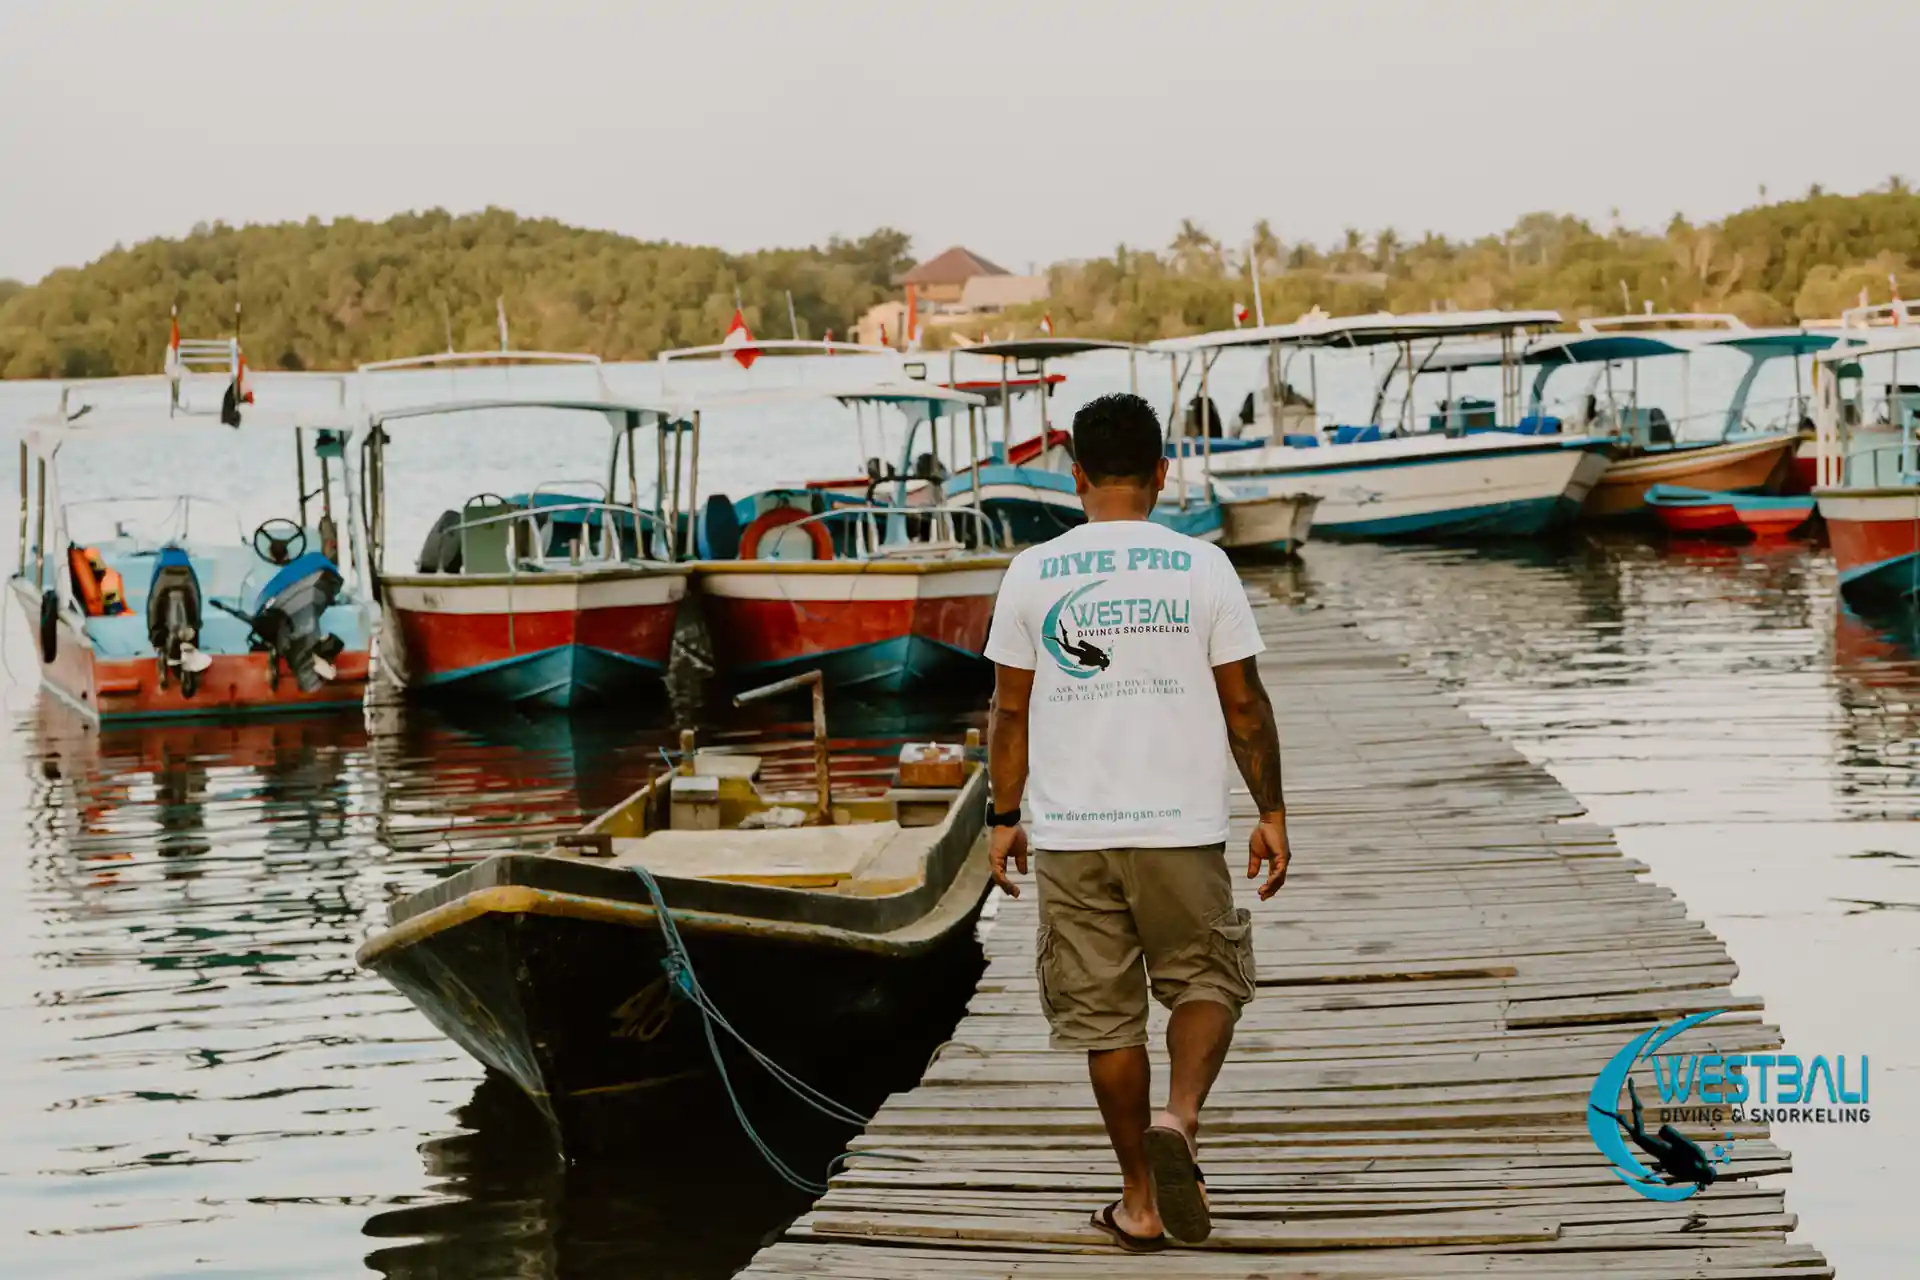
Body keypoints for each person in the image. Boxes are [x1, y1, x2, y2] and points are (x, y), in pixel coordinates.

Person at [982, 392, 1291, 1252]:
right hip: (1182, 827)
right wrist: (1269, 810)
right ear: (1162, 474)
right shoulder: (1204, 568)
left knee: (1105, 1020)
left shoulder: (1031, 573)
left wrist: (1003, 818)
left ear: (1073, 476)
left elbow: (1009, 714)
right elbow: (1245, 705)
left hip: (1074, 836)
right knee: (1207, 978)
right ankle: (1181, 1117)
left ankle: (1140, 1201)